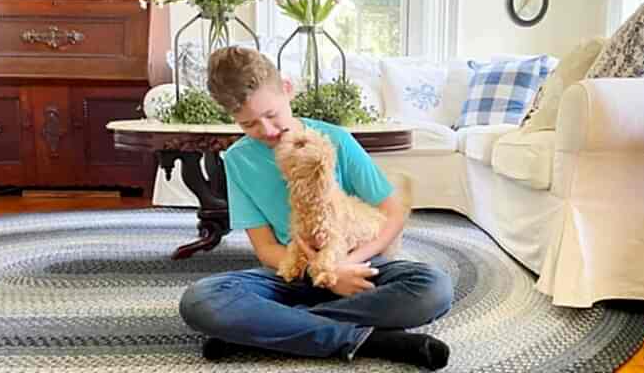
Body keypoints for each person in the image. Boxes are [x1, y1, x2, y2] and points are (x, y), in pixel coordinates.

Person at [178, 46, 454, 370]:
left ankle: (262, 330)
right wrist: (320, 273)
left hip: (359, 267)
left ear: (287, 89)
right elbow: (266, 248)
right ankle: (367, 339)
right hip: (291, 273)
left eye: (271, 115)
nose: (266, 131)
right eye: (249, 124)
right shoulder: (239, 161)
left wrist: (341, 268)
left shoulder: (334, 139)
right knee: (200, 300)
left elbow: (393, 214)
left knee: (434, 288)